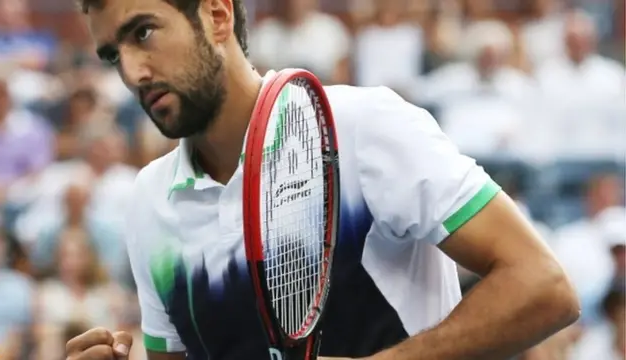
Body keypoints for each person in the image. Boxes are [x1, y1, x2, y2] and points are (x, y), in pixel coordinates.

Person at [66, 1, 580, 359]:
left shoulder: (365, 126)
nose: (132, 72)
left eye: (143, 33)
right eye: (113, 55)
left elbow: (544, 286)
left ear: (216, 15)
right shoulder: (147, 203)